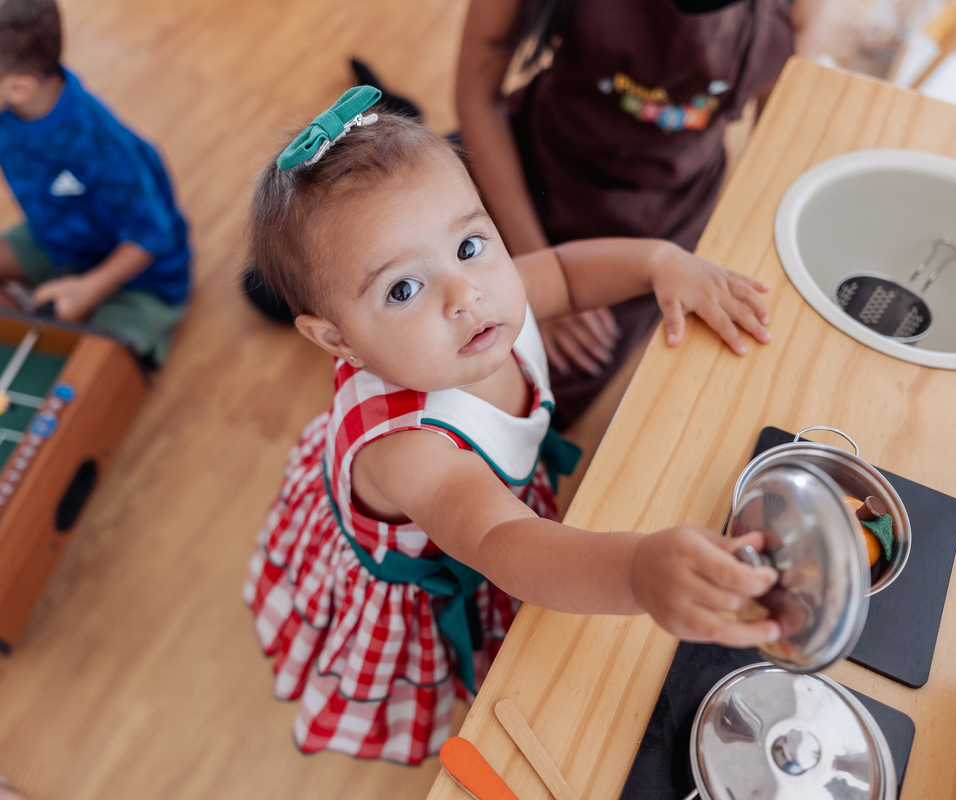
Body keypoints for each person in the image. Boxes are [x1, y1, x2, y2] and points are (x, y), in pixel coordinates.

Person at [243, 87, 778, 764]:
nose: (464, 295)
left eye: (470, 244)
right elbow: (505, 541)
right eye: (403, 289)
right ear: (336, 340)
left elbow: (559, 271)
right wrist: (638, 571)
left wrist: (657, 261)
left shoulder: (483, 299)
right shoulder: (411, 454)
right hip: (436, 558)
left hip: (485, 502)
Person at [457, 0, 794, 426]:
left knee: (548, 402)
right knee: (474, 390)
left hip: (670, 217)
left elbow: (782, 119)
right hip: (534, 190)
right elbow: (477, 97)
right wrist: (535, 268)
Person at [0, 0, 191, 366]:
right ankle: (33, 350)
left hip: (140, 279)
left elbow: (153, 236)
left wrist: (90, 289)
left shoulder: (97, 144)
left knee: (98, 365)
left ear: (18, 87)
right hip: (56, 241)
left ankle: (64, 350)